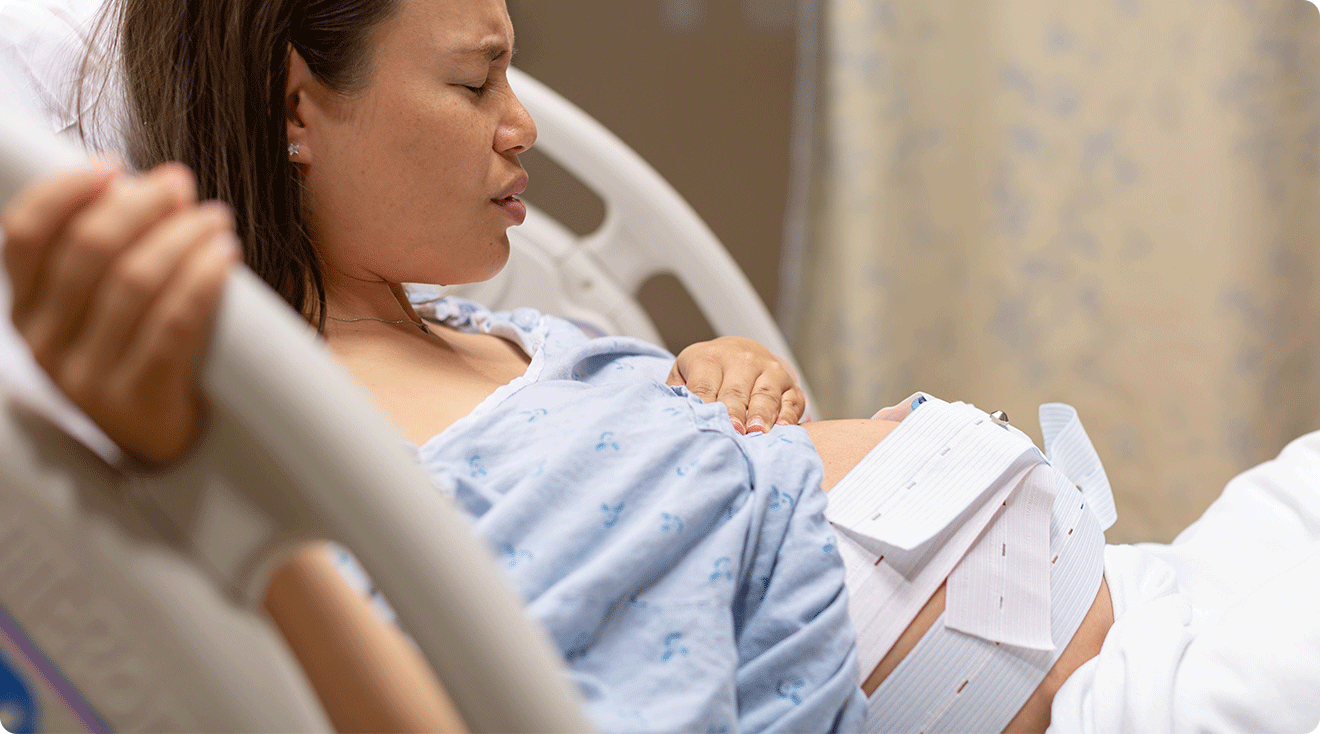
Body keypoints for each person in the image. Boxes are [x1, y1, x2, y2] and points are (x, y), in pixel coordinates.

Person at [0, 0, 1162, 731]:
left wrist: (717, 375)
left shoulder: (472, 326)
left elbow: (675, 490)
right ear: (295, 106)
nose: (523, 124)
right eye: (474, 81)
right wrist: (211, 487)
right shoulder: (297, 460)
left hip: (1132, 618)